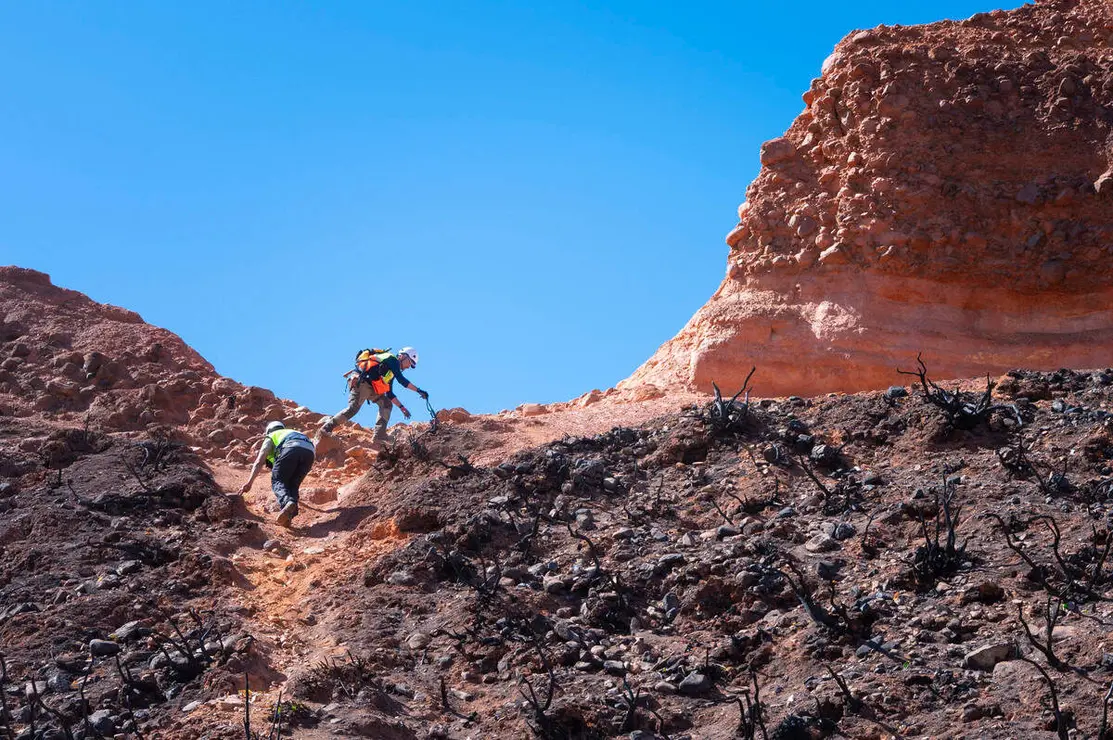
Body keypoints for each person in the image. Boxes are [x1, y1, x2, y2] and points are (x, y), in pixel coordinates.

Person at [317, 346, 428, 451]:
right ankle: (326, 428)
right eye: (410, 362)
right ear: (402, 356)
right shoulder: (392, 360)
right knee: (353, 409)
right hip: (362, 382)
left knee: (386, 404)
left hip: (372, 387)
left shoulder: (392, 371)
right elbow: (402, 381)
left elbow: (389, 393)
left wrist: (402, 407)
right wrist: (419, 391)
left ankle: (379, 435)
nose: (409, 367)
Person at [240, 421, 315, 527]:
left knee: (278, 481)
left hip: (290, 449)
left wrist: (249, 483)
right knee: (293, 485)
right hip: (310, 454)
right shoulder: (294, 432)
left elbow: (259, 461)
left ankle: (287, 501)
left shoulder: (271, 435)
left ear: (268, 431)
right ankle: (288, 517)